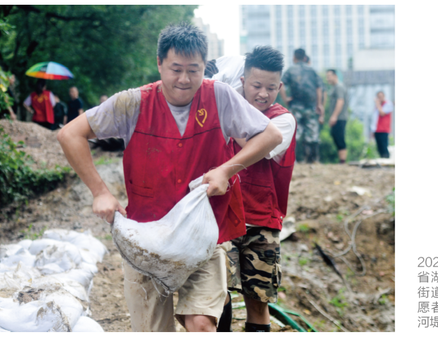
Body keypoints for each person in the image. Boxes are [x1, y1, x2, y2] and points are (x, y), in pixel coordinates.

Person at [56, 23, 282, 332]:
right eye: (176, 69)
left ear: (205, 67)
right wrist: (100, 192)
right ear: (160, 63)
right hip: (147, 241)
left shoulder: (219, 96)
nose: (184, 79)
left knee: (202, 323)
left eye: (194, 69)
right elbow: (70, 134)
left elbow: (269, 136)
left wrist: (226, 169)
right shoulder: (133, 103)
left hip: (203, 236)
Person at [211, 46, 296, 333]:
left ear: (280, 87)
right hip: (221, 216)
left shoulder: (283, 119)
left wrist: (229, 110)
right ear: (243, 80)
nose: (263, 94)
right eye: (256, 85)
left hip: (262, 220)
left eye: (271, 88)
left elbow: (257, 147)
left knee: (258, 300)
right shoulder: (224, 104)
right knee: (216, 293)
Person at [279, 48, 323, 163]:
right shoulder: (312, 70)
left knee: (294, 133)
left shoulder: (291, 70)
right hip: (310, 106)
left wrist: (285, 99)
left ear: (294, 57)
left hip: (296, 105)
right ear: (304, 57)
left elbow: (281, 84)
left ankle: (294, 160)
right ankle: (313, 159)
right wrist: (319, 104)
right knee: (312, 132)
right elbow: (319, 88)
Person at [325, 69, 350, 164]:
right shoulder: (334, 87)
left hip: (340, 117)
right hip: (337, 117)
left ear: (335, 76)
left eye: (329, 76)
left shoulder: (339, 86)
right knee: (335, 136)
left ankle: (342, 161)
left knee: (340, 138)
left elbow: (340, 101)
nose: (327, 79)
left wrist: (334, 116)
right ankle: (341, 160)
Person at [373, 91, 393, 158]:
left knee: (384, 147)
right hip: (377, 129)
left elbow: (382, 113)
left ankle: (386, 160)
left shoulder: (388, 104)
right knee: (379, 148)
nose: (379, 98)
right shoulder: (378, 106)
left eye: (381, 97)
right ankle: (382, 160)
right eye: (378, 97)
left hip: (384, 129)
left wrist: (377, 104)